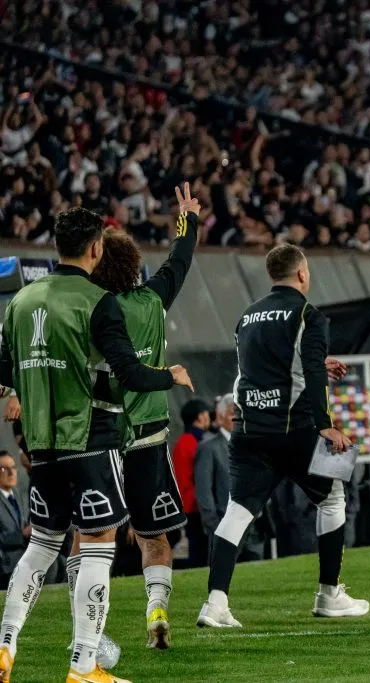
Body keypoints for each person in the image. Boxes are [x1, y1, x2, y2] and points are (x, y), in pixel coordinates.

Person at [0, 206, 193, 683]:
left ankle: (4, 650)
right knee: (97, 547)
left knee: (41, 548)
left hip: (41, 446)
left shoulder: (21, 300)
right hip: (90, 438)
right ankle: (84, 665)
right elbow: (127, 374)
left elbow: (5, 371)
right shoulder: (99, 301)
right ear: (95, 248)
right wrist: (168, 374)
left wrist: (23, 394)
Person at [197, 244, 368, 629]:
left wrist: (316, 363)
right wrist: (325, 423)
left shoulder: (248, 316)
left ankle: (216, 602)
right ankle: (329, 594)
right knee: (334, 496)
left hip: (248, 430)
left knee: (237, 511)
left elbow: (265, 365)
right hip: (295, 429)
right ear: (302, 274)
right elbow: (308, 367)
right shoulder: (309, 314)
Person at [82, 183, 200, 650]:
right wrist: (186, 220)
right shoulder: (152, 301)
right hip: (150, 438)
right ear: (133, 266)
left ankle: (90, 621)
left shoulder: (88, 310)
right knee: (155, 538)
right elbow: (179, 262)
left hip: (104, 435)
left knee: (91, 536)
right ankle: (156, 610)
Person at [194, 395, 265, 561]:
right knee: (224, 581)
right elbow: (204, 493)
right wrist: (216, 527)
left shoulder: (254, 444)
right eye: (234, 413)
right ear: (220, 417)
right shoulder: (208, 448)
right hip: (225, 529)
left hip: (255, 530)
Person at [172, 399, 213, 568]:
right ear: (199, 417)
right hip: (193, 506)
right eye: (205, 413)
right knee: (199, 550)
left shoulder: (188, 440)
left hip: (194, 503)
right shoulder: (189, 442)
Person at [0, 451, 28, 590]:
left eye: (13, 467)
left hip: (22, 554)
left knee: (60, 561)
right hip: (5, 561)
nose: (11, 473)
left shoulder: (17, 494)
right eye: (4, 469)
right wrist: (22, 534)